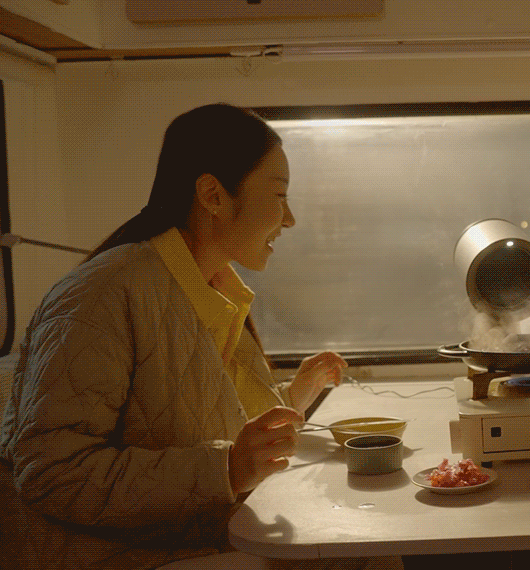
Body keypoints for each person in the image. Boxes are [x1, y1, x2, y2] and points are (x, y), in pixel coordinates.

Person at [0, 103, 399, 570]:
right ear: (213, 195)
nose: (289, 218)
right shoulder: (102, 294)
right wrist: (226, 469)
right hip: (121, 553)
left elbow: (207, 425)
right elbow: (52, 474)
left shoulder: (214, 286)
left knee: (373, 544)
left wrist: (294, 397)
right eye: (278, 195)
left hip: (194, 532)